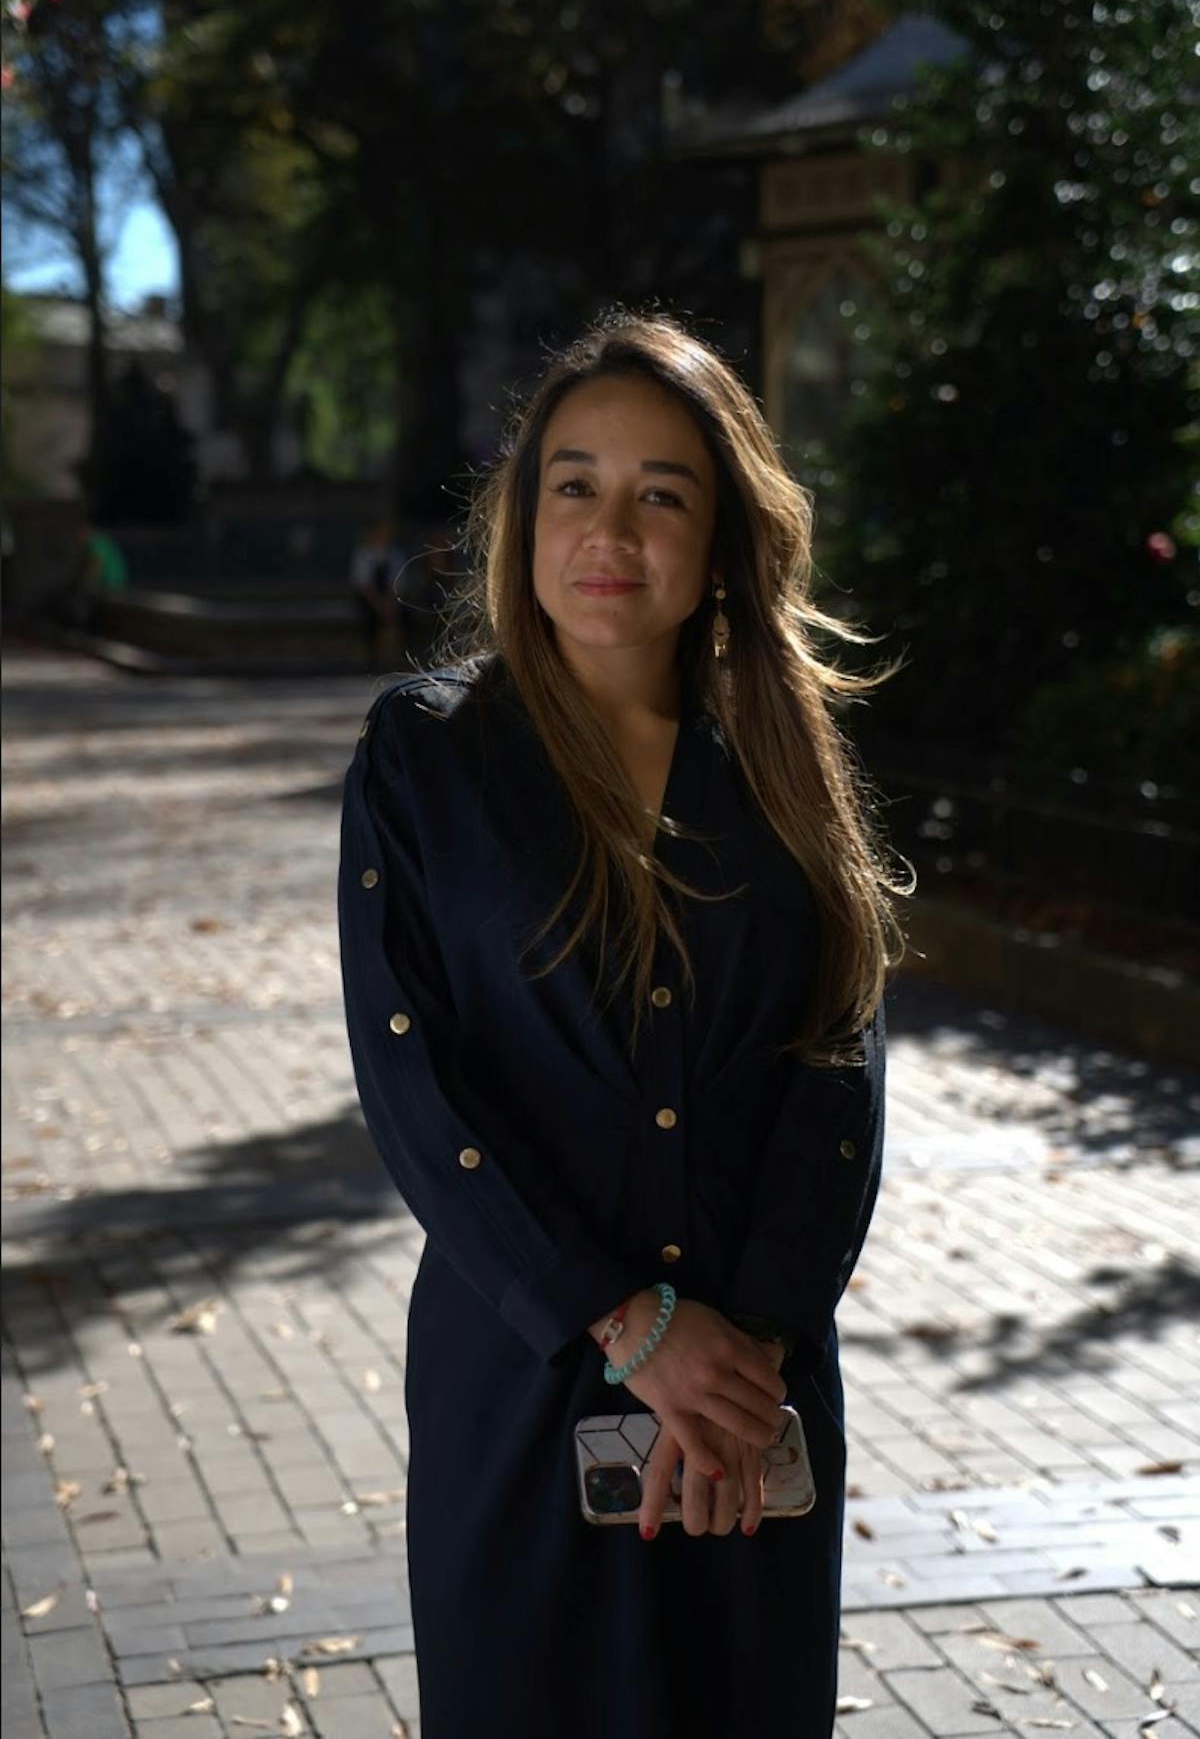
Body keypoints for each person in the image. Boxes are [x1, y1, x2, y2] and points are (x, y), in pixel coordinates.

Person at [337, 309, 910, 1737]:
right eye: (574, 483)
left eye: (662, 493)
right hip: (523, 1368)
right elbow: (415, 1083)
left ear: (720, 540)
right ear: (524, 517)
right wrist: (625, 1319)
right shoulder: (425, 759)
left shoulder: (782, 761)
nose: (610, 529)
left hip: (751, 1398)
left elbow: (837, 1070)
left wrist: (746, 1349)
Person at [349, 517, 402, 668]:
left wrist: (390, 602)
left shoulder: (394, 554)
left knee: (402, 616)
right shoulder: (363, 555)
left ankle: (395, 655)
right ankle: (371, 657)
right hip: (369, 599)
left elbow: (397, 581)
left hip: (390, 599)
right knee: (370, 618)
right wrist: (378, 604)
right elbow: (363, 584)